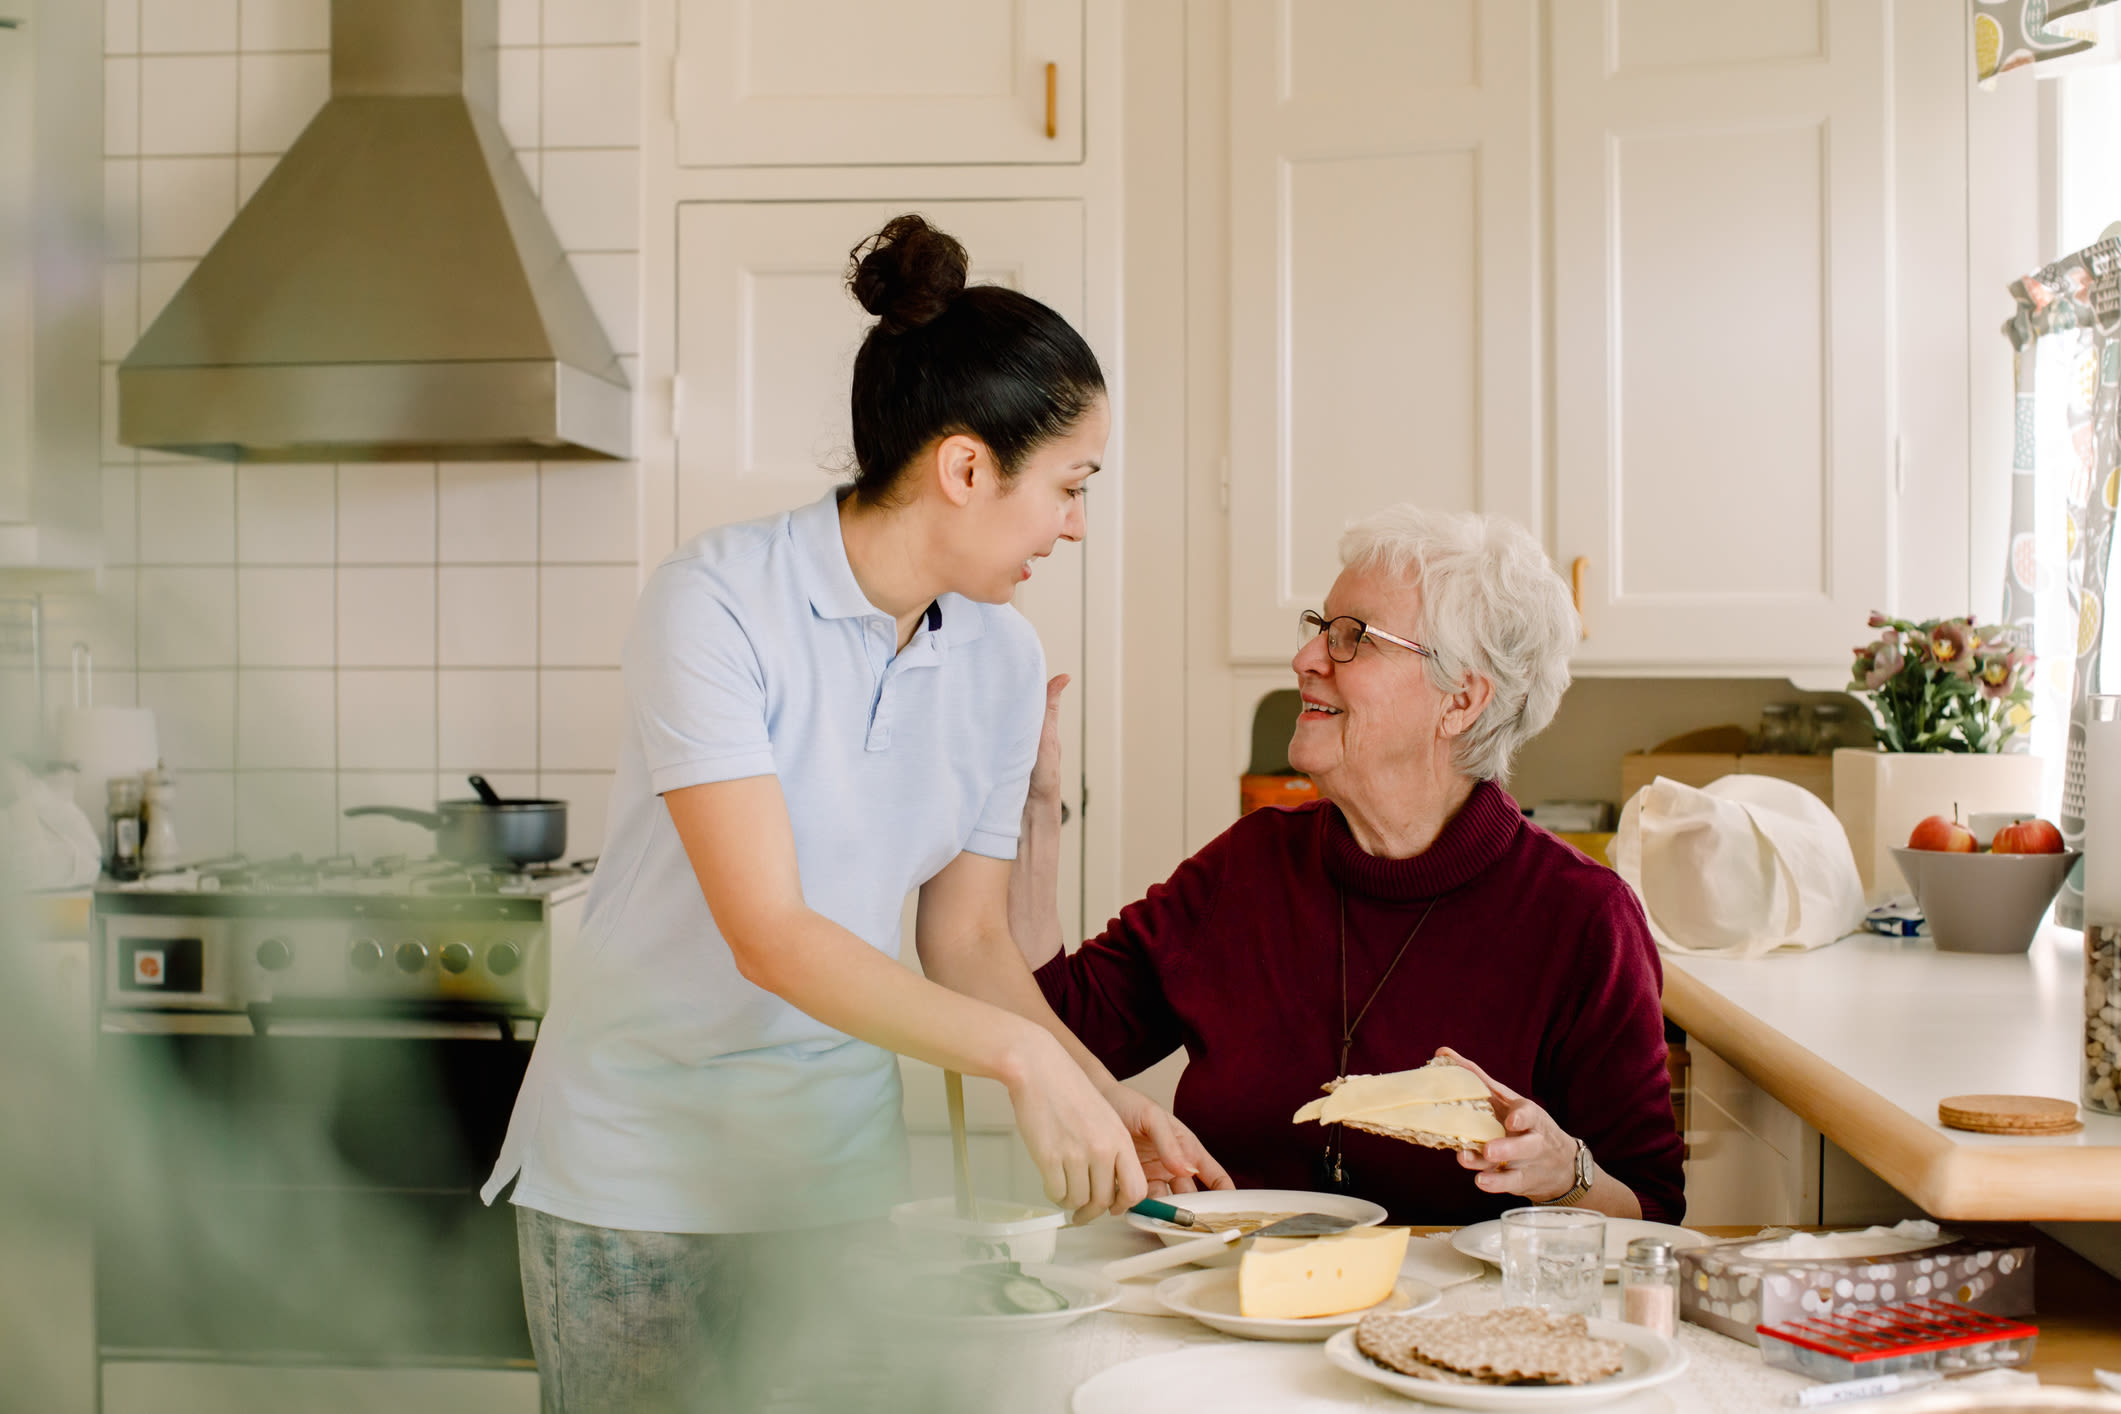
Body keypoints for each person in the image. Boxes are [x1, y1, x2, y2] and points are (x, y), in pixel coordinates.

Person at [481, 214, 1227, 1412]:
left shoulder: (999, 653)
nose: (1076, 524)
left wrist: (1094, 1088)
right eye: (1070, 486)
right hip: (637, 1174)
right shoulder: (715, 607)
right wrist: (1024, 1059)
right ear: (968, 467)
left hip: (829, 1180)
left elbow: (968, 939)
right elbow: (768, 931)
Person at [1012, 504, 1686, 1226]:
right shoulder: (1250, 865)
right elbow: (1052, 1029)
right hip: (1235, 1305)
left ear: (1460, 698)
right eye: (1319, 628)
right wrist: (1031, 810)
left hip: (1455, 1327)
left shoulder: (1581, 918)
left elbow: (1649, 1215)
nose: (1306, 659)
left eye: (1352, 638)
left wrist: (1565, 1173)